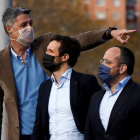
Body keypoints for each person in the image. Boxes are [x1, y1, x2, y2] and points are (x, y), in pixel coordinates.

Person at [0, 7, 135, 140]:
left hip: (51, 132)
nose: (29, 28)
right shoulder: (2, 62)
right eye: (23, 25)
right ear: (9, 29)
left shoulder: (45, 45)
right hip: (19, 135)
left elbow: (77, 41)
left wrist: (108, 33)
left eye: (31, 23)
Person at [31, 34, 102, 140]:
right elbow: (38, 126)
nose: (46, 54)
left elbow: (99, 117)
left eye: (50, 51)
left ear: (65, 57)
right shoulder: (45, 87)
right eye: (46, 51)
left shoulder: (85, 82)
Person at [84, 46, 140, 140]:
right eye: (102, 61)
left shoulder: (137, 93)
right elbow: (89, 133)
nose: (102, 65)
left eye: (108, 62)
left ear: (122, 68)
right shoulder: (96, 97)